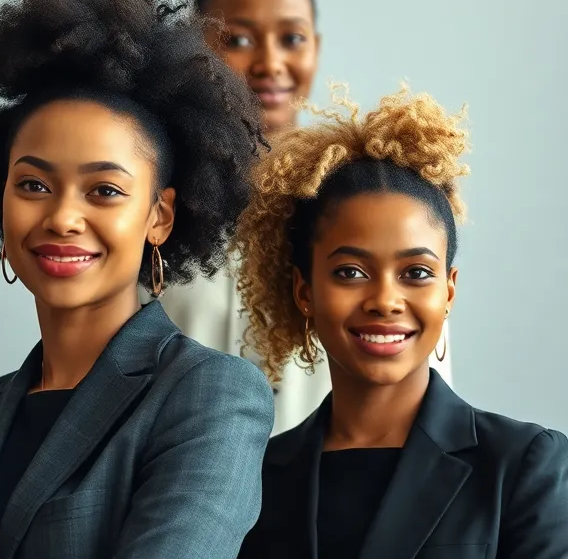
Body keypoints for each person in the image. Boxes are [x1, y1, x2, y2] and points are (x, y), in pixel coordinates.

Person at [0, 0, 275, 558]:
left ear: (159, 216)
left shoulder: (211, 395)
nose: (61, 217)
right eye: (32, 185)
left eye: (104, 190)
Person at [160, 0, 451, 434]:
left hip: (335, 501)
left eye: (291, 38)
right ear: (194, 46)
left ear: (315, 47)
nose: (271, 63)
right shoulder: (149, 197)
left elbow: (428, 376)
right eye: (238, 38)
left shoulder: (365, 200)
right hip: (177, 501)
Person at [235, 87, 568, 558]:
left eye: (416, 273)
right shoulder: (253, 477)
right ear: (304, 291)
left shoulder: (523, 464)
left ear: (448, 291)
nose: (386, 300)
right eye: (351, 272)